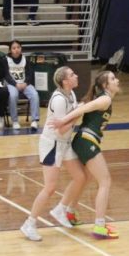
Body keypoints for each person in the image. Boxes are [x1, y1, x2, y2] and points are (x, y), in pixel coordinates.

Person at [48, 70, 121, 240]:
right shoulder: (105, 98)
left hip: (83, 140)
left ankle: (70, 212)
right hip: (87, 141)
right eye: (112, 78)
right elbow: (84, 108)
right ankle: (100, 226)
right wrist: (64, 121)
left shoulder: (103, 98)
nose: (116, 80)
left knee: (85, 178)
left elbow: (83, 106)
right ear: (105, 85)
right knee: (105, 181)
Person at [20, 66, 88, 241]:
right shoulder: (58, 99)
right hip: (52, 144)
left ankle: (61, 208)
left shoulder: (71, 94)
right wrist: (78, 113)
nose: (76, 75)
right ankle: (30, 223)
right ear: (65, 81)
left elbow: (67, 123)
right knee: (50, 187)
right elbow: (62, 128)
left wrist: (77, 111)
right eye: (72, 74)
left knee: (80, 177)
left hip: (65, 143)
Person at [5, 40, 40, 130]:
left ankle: (34, 120)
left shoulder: (26, 60)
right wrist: (15, 84)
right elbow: (6, 75)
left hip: (24, 84)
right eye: (14, 48)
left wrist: (26, 83)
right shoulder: (6, 60)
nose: (16, 50)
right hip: (12, 84)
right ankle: (15, 121)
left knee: (34, 94)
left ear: (21, 49)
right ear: (10, 50)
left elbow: (30, 74)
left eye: (18, 47)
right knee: (13, 96)